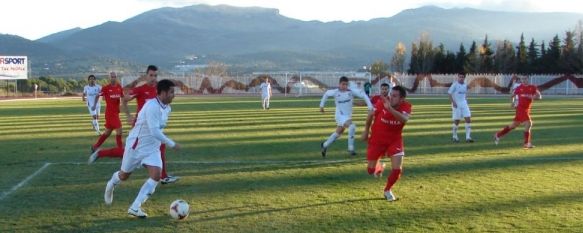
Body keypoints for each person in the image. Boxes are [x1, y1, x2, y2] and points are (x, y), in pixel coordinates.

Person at [103, 79, 180, 218]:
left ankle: (135, 207)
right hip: (136, 146)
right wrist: (171, 143)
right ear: (162, 93)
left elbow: (156, 132)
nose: (174, 95)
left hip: (152, 149)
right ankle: (111, 183)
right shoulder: (152, 106)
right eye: (171, 92)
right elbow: (154, 131)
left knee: (156, 176)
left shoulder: (167, 108)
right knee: (124, 176)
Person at [121, 65, 179, 184]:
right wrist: (128, 116)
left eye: (155, 75)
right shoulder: (141, 89)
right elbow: (124, 99)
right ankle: (101, 153)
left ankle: (162, 176)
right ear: (146, 76)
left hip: (155, 127)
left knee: (160, 147)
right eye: (151, 75)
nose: (153, 78)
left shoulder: (161, 89)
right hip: (142, 128)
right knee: (130, 153)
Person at [361, 85, 411, 202]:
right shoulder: (380, 103)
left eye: (394, 96)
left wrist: (390, 109)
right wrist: (366, 131)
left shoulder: (406, 107)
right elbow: (370, 115)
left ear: (401, 99)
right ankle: (379, 168)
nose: (391, 98)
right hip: (377, 139)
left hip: (395, 140)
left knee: (397, 169)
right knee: (370, 170)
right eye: (390, 95)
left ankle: (387, 190)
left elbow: (404, 119)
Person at [320, 76, 373, 157]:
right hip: (339, 115)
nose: (344, 86)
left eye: (346, 84)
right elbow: (326, 94)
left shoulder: (351, 91)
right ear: (339, 84)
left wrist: (370, 107)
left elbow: (364, 95)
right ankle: (350, 148)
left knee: (338, 133)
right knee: (352, 126)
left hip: (347, 116)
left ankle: (324, 145)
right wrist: (321, 106)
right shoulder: (335, 92)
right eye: (343, 84)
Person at [494, 76, 541, 149]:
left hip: (527, 109)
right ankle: (526, 143)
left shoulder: (533, 87)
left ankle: (498, 135)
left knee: (513, 125)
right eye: (522, 79)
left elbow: (539, 97)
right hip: (520, 109)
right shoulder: (519, 88)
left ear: (528, 79)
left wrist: (532, 97)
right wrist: (512, 102)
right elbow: (512, 95)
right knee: (529, 123)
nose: (523, 80)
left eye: (525, 79)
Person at [88, 72, 124, 162]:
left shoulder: (119, 87)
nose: (113, 78)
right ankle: (121, 152)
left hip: (116, 113)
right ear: (109, 78)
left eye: (115, 77)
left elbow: (122, 96)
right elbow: (97, 96)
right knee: (119, 130)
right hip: (110, 114)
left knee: (107, 132)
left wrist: (123, 103)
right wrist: (94, 105)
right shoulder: (106, 88)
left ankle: (95, 146)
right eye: (112, 77)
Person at [448, 72, 474, 143]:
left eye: (462, 77)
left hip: (464, 104)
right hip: (456, 104)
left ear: (464, 78)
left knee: (468, 119)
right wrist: (453, 102)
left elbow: (466, 91)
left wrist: (470, 87)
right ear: (458, 77)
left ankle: (468, 137)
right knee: (457, 121)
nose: (461, 78)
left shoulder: (465, 85)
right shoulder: (455, 85)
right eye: (460, 77)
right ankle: (454, 136)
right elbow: (449, 93)